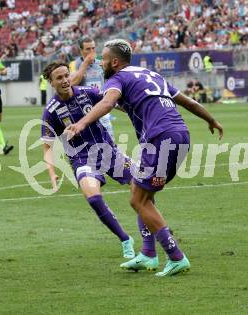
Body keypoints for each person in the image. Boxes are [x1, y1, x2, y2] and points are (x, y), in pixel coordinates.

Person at [66, 39, 224, 277]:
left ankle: (176, 256)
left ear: (115, 62)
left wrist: (81, 122)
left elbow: (108, 102)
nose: (101, 64)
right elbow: (187, 101)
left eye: (105, 60)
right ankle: (148, 255)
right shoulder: (150, 75)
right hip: (180, 134)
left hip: (159, 139)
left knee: (138, 200)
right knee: (141, 192)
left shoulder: (117, 78)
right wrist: (210, 119)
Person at [41, 61, 135, 259]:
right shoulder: (50, 111)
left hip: (109, 152)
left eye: (66, 75)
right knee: (93, 196)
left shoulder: (87, 92)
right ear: (51, 82)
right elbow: (47, 148)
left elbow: (114, 103)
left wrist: (139, 108)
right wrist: (52, 173)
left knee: (142, 187)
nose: (65, 80)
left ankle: (154, 234)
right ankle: (125, 239)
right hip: (82, 159)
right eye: (59, 78)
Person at [69, 37, 114, 139]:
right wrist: (85, 63)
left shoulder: (100, 64)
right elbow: (72, 83)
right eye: (88, 49)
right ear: (81, 51)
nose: (91, 51)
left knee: (110, 144)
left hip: (101, 110)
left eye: (93, 48)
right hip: (83, 112)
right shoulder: (74, 64)